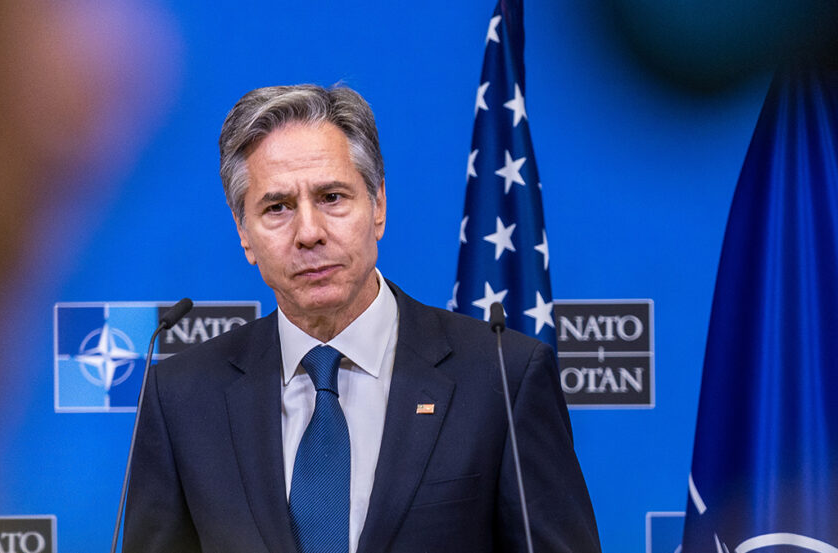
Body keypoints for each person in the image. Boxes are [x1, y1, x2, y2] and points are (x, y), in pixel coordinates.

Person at [124, 84, 600, 553]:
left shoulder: (501, 376)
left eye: (332, 197)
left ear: (378, 206)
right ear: (244, 233)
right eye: (277, 207)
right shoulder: (182, 398)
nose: (309, 233)